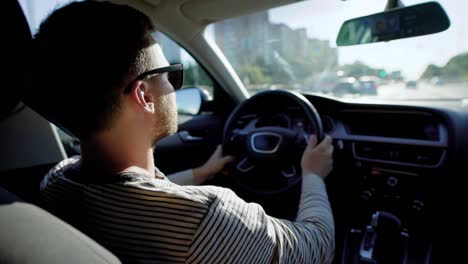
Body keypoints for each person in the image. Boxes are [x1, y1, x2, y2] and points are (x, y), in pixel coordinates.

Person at [31, 1, 335, 263]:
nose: (176, 88)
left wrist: (201, 172)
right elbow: (316, 248)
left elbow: (129, 198)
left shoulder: (57, 182)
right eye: (171, 76)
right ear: (145, 96)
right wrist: (313, 175)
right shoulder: (204, 220)